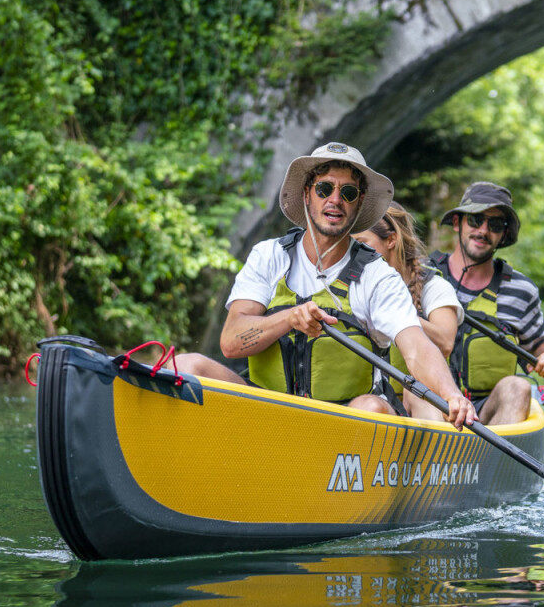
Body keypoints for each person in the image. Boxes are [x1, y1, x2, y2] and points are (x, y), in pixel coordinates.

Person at [176, 142, 475, 431]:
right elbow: (230, 342)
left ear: (359, 203)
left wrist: (451, 394)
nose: (335, 200)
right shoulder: (269, 255)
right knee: (186, 365)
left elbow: (416, 348)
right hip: (264, 410)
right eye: (324, 189)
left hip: (341, 426)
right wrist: (290, 318)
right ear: (307, 195)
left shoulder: (378, 276)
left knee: (371, 407)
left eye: (348, 192)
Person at [428, 181, 544, 425]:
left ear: (503, 235)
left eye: (495, 225)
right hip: (428, 405)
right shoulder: (420, 275)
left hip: (487, 415)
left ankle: (496, 461)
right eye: (476, 220)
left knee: (518, 386)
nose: (483, 230)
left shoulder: (521, 291)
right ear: (458, 223)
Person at [353, 202, 463, 420]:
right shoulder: (355, 287)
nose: (354, 254)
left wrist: (392, 312)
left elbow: (446, 342)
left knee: (417, 390)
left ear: (391, 240)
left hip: (420, 405)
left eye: (361, 244)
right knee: (366, 404)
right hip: (376, 402)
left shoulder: (434, 287)